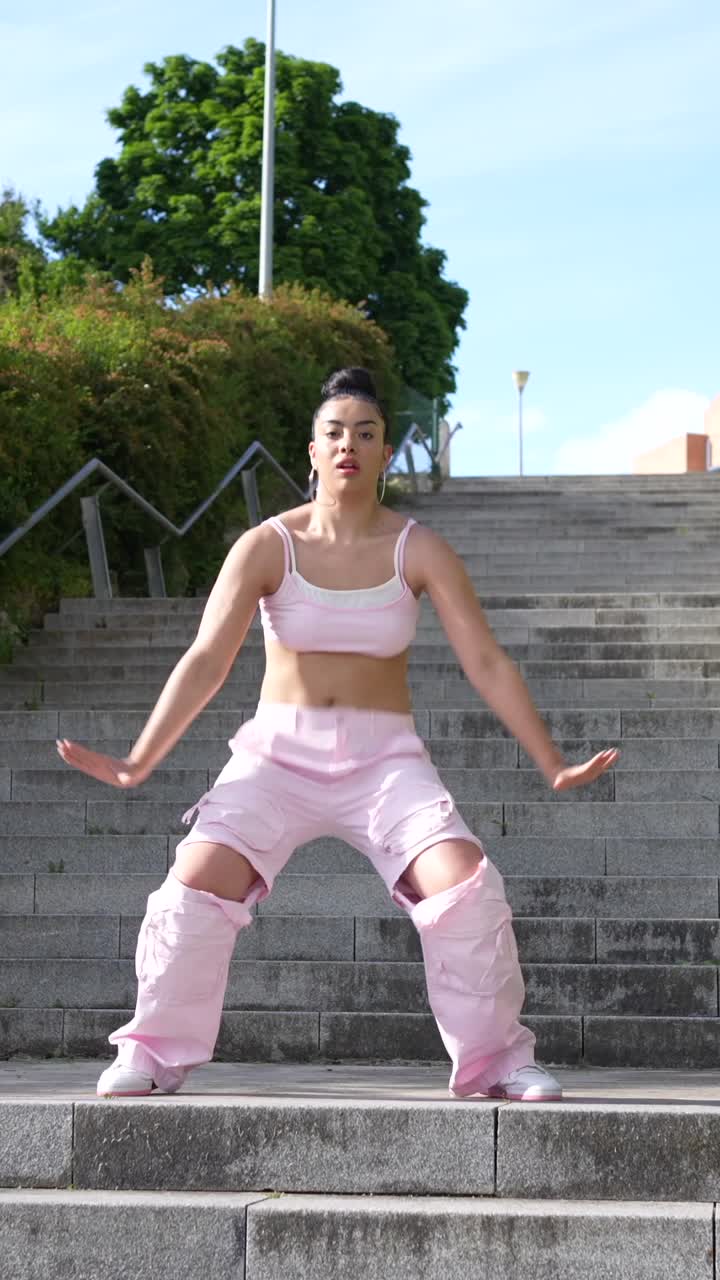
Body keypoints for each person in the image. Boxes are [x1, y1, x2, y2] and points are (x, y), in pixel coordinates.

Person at [56, 367, 619, 1102]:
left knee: (466, 885)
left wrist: (551, 762)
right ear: (312, 451)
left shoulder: (419, 549)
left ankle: (501, 1060)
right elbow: (206, 660)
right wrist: (137, 762)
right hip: (275, 756)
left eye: (366, 432)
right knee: (192, 884)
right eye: (334, 432)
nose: (349, 443)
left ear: (387, 454)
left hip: (385, 760)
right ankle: (153, 1052)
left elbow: (485, 660)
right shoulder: (267, 545)